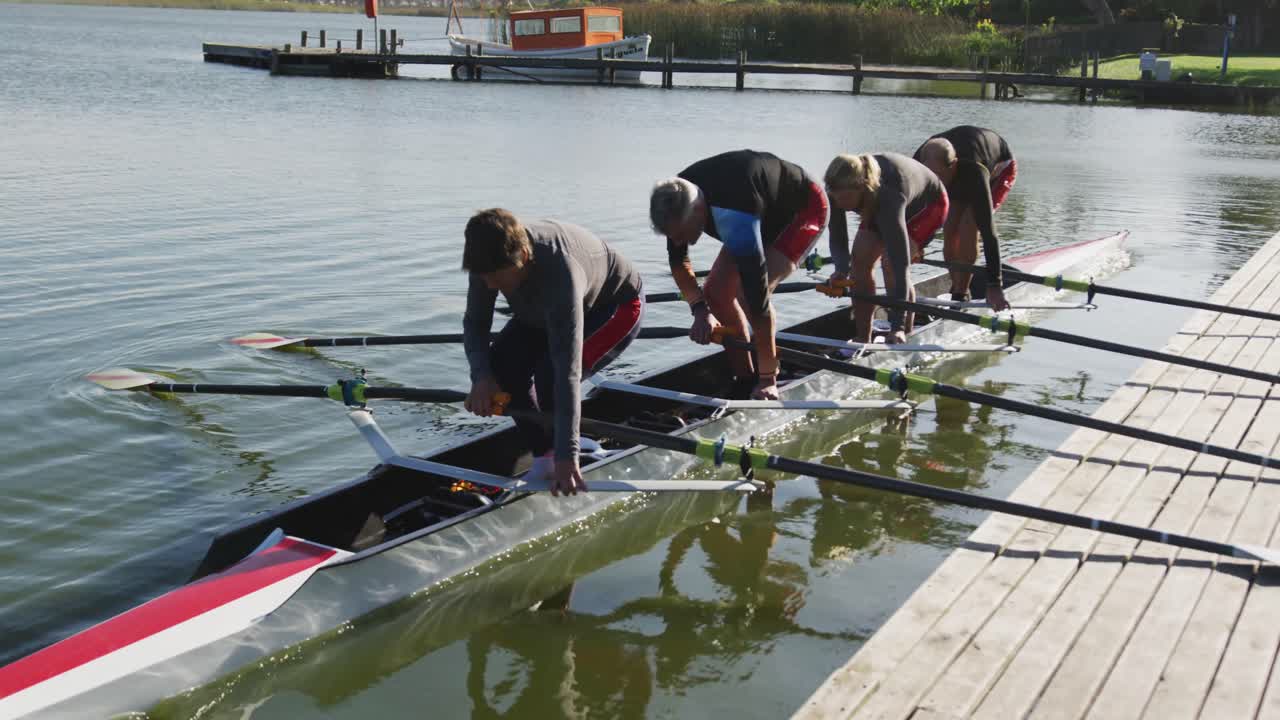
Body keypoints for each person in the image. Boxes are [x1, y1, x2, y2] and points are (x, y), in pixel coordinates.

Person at [462, 209, 643, 496]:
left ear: (523, 253)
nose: (490, 286)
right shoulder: (486, 258)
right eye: (484, 277)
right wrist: (481, 378)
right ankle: (544, 455)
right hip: (542, 309)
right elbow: (475, 323)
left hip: (613, 307)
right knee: (500, 367)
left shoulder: (561, 272)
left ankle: (571, 455)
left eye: (496, 277)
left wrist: (567, 455)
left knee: (550, 376)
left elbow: (566, 371)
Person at [649, 150, 829, 400]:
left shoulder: (734, 214)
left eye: (680, 233)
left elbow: (759, 303)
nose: (678, 241)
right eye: (672, 235)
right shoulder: (674, 198)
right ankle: (744, 378)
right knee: (715, 293)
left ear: (698, 211)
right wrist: (700, 311)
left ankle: (767, 377)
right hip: (760, 206)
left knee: (749, 294)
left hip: (802, 209)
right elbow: (679, 263)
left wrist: (768, 380)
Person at [824, 152, 948, 345]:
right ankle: (862, 338)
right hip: (880, 204)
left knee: (890, 263)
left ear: (862, 187)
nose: (840, 204)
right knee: (859, 263)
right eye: (836, 197)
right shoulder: (836, 189)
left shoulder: (888, 197)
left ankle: (902, 334)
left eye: (846, 197)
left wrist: (896, 326)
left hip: (929, 205)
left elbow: (901, 268)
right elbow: (838, 237)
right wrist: (841, 270)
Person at [913, 126, 1017, 310]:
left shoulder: (975, 172)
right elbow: (911, 210)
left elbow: (989, 233)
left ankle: (961, 293)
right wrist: (917, 244)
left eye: (938, 176)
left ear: (953, 165)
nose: (934, 182)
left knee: (970, 225)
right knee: (950, 227)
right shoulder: (917, 165)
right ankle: (958, 289)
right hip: (960, 165)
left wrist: (995, 285)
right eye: (930, 177)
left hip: (996, 171)